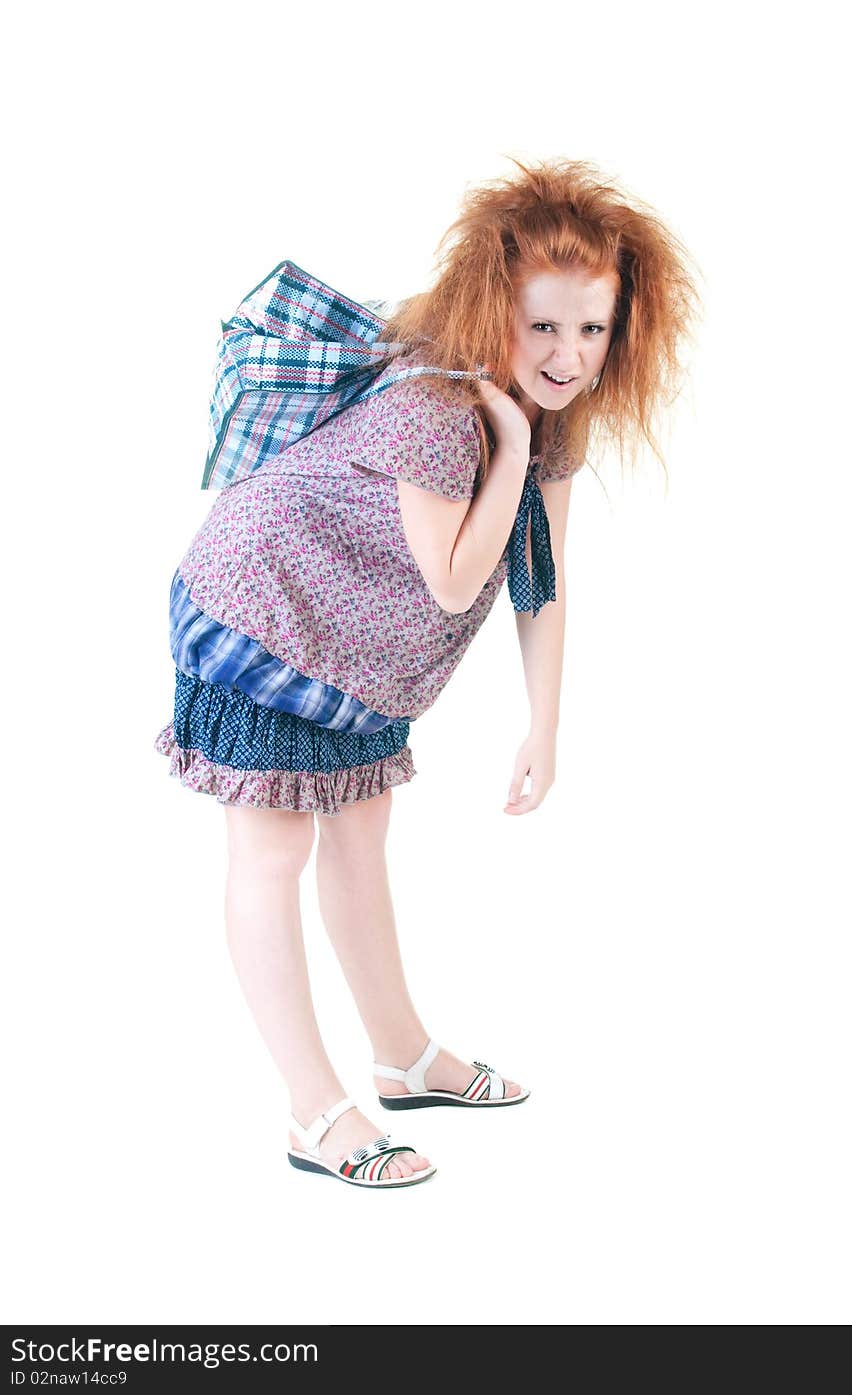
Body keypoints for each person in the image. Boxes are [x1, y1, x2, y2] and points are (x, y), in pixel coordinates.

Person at [154, 156, 700, 1189]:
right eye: (543, 326)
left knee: (359, 837)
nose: (567, 354)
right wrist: (503, 444)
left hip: (356, 660)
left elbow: (539, 571)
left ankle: (402, 1058)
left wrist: (544, 724)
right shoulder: (444, 408)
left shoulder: (553, 418)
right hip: (261, 618)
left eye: (591, 328)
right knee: (269, 853)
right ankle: (311, 1111)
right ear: (497, 306)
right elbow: (456, 582)